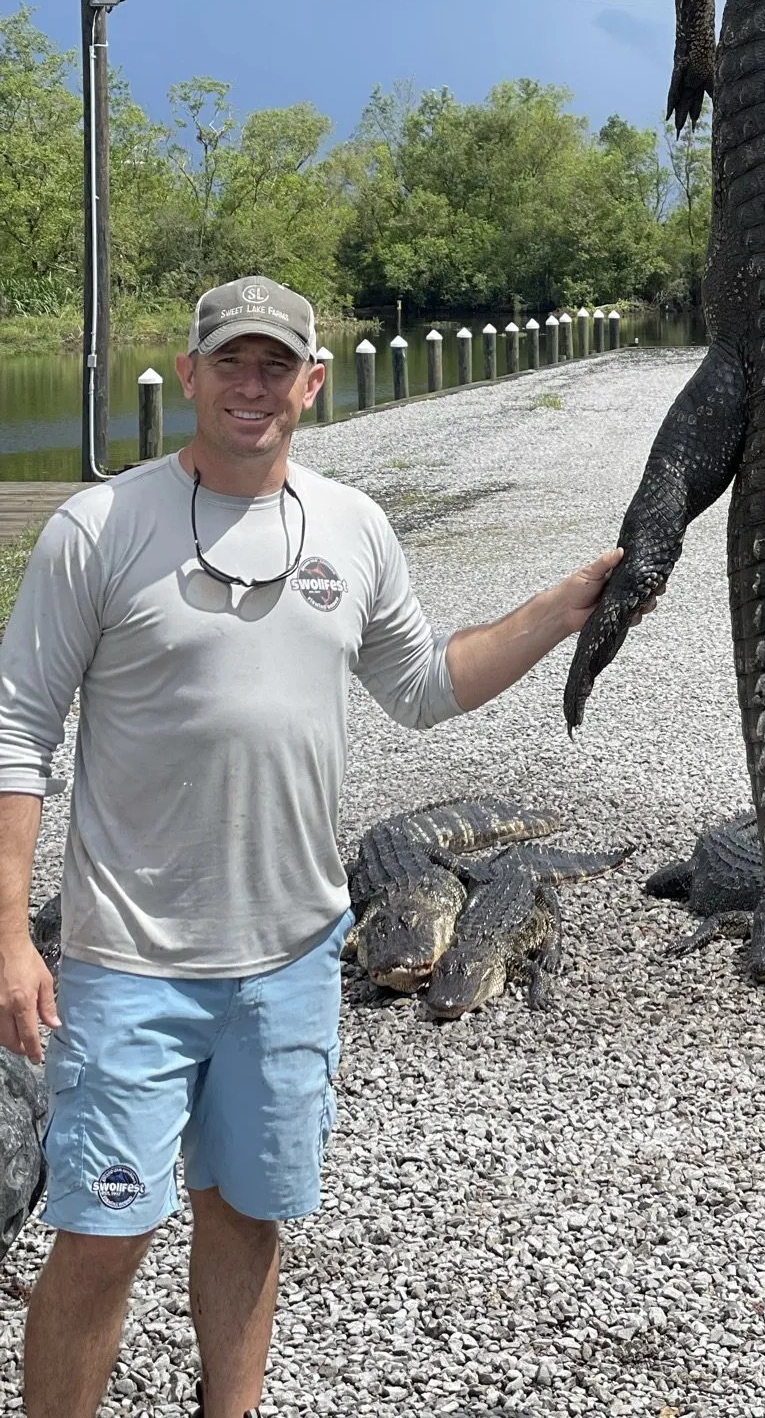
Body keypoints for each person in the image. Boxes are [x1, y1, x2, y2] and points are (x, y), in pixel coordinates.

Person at [0, 277, 636, 1418]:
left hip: (293, 962)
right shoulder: (98, 529)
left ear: (313, 381)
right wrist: (9, 934)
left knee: (249, 1220)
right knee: (101, 1239)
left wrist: (559, 606)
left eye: (275, 365)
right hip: (129, 963)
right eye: (229, 362)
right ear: (188, 374)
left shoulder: (353, 526)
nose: (251, 385)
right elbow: (16, 731)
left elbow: (426, 685)